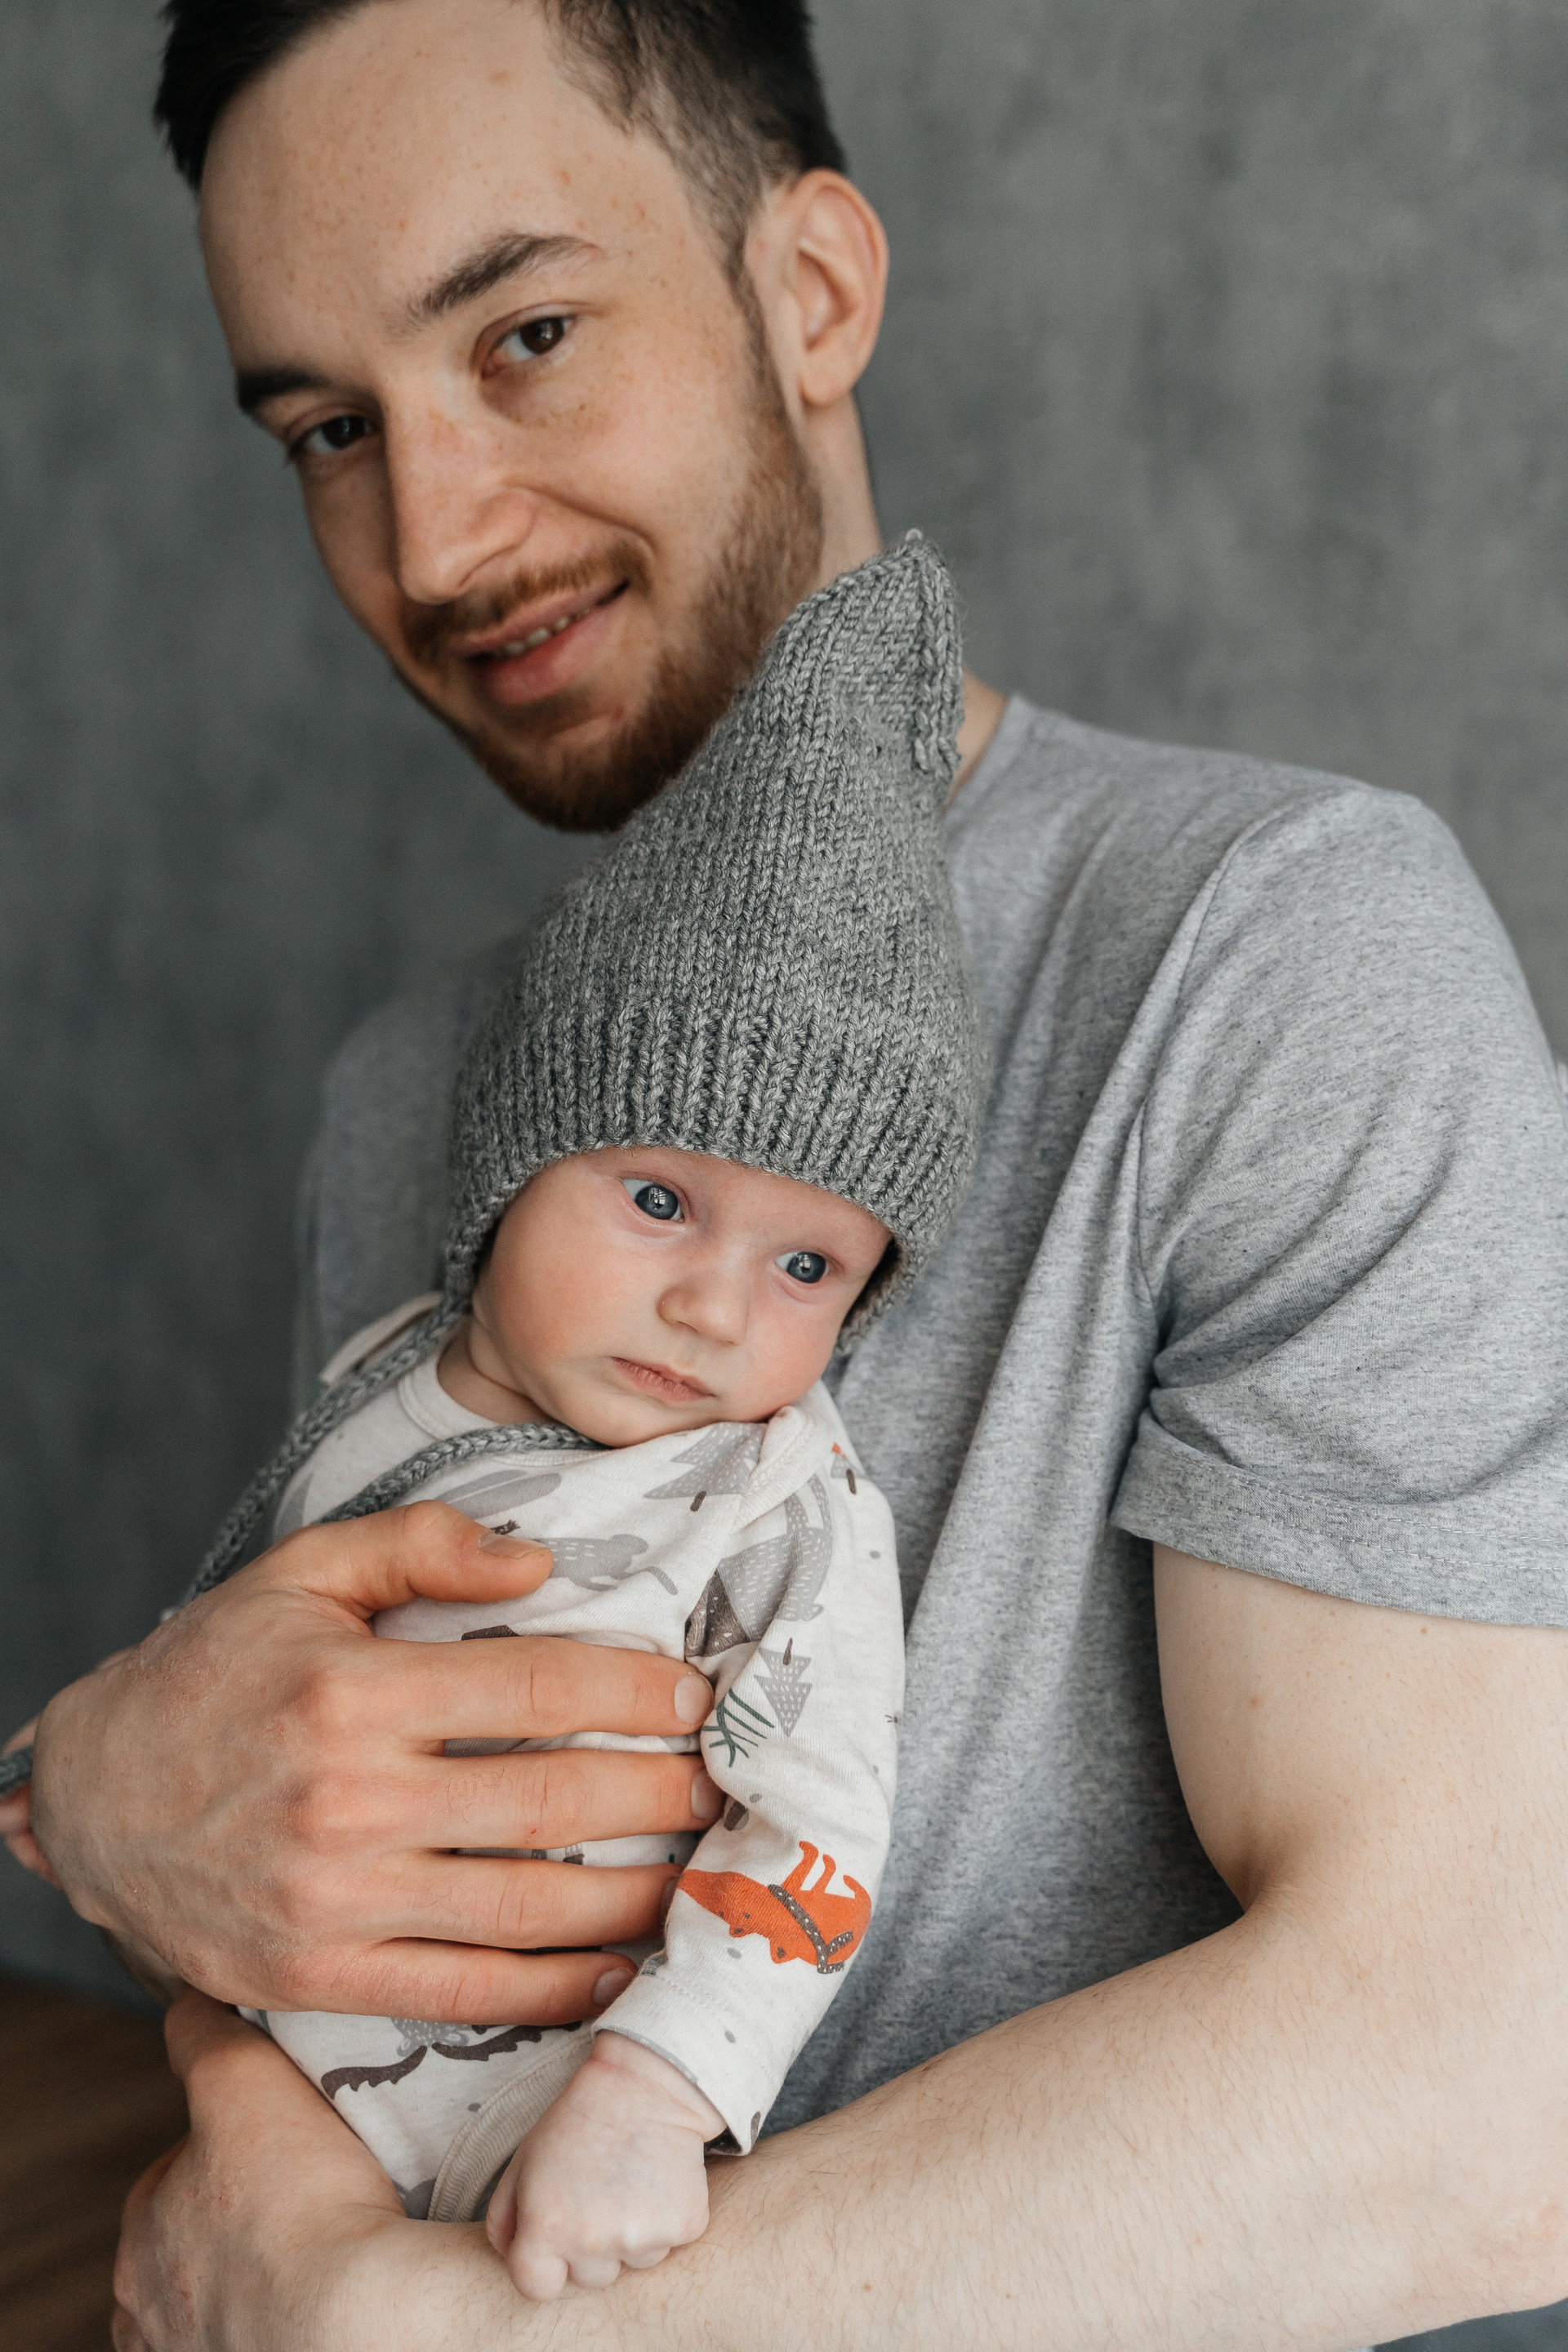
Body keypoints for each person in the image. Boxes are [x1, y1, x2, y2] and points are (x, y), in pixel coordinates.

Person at [3, 3, 1566, 2346]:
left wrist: (442, 2336)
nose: (432, 537)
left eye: (525, 336)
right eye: (330, 428)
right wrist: (96, 1794)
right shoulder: (410, 1093)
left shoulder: (1274, 951)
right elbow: (340, 1880)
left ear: (814, 291)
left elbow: (1492, 2071)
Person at [185, 538, 973, 2292]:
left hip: (552, 2126)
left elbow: (817, 1826)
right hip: (298, 2091)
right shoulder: (384, 1375)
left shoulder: (773, 1497)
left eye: (808, 1267)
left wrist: (653, 2091)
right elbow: (260, 1637)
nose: (715, 1309)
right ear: (515, 1158)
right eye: (661, 1202)